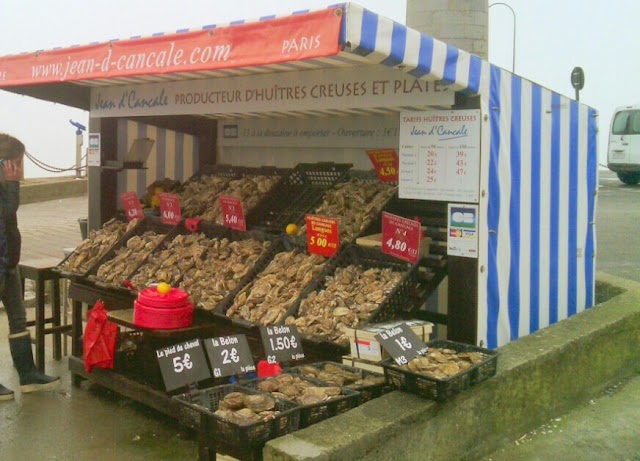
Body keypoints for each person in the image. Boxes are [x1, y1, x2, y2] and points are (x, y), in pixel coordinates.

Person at [0, 133, 59, 401]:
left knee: (18, 317)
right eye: (17, 162)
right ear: (6, 163)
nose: (21, 168)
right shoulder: (5, 185)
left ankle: (28, 374)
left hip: (8, 260)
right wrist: (12, 185)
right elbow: (7, 211)